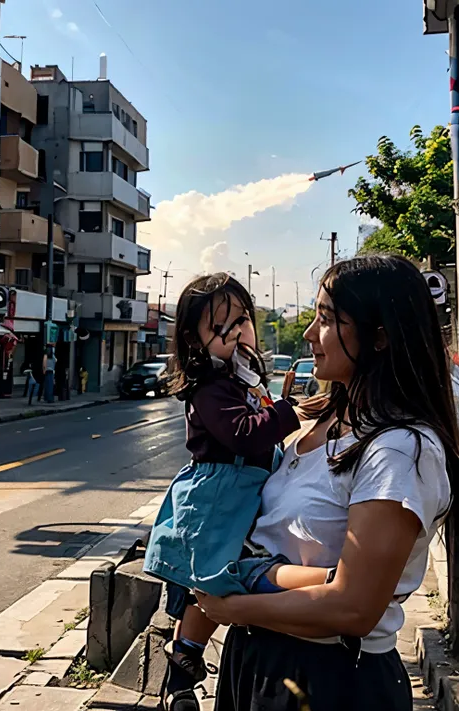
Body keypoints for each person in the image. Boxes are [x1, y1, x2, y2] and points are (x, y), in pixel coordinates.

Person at [194, 255, 458, 711]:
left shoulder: (398, 451)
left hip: (330, 677)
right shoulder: (320, 416)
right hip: (257, 661)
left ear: (379, 336)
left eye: (327, 320)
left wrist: (232, 608)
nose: (309, 335)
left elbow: (352, 608)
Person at [144, 273, 320, 711]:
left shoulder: (240, 376)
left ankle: (184, 664)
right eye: (222, 328)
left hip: (244, 489)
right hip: (218, 495)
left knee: (215, 577)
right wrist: (288, 412)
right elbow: (243, 434)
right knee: (208, 577)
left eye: (243, 320)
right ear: (194, 338)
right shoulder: (208, 386)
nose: (239, 333)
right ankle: (182, 670)